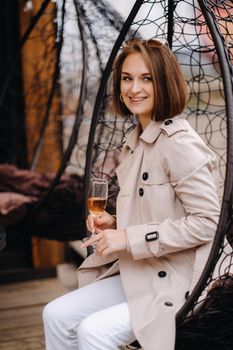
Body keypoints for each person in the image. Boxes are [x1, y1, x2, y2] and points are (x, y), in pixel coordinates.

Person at [43, 38, 220, 350]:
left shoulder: (178, 143)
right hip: (143, 268)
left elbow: (208, 223)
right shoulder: (136, 140)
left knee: (93, 332)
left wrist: (127, 239)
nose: (134, 89)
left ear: (164, 82)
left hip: (180, 279)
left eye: (146, 78)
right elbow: (157, 212)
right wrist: (114, 226)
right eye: (127, 78)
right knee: (55, 314)